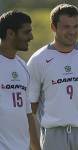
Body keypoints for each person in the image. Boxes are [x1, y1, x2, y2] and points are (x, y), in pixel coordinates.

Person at [27, 4, 78, 150]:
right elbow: (32, 105)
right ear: (53, 27)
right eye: (66, 27)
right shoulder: (38, 59)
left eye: (75, 26)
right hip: (54, 135)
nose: (72, 32)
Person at [0, 10, 40, 150]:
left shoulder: (23, 66)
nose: (31, 37)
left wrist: (36, 147)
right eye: (26, 32)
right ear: (10, 33)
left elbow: (28, 113)